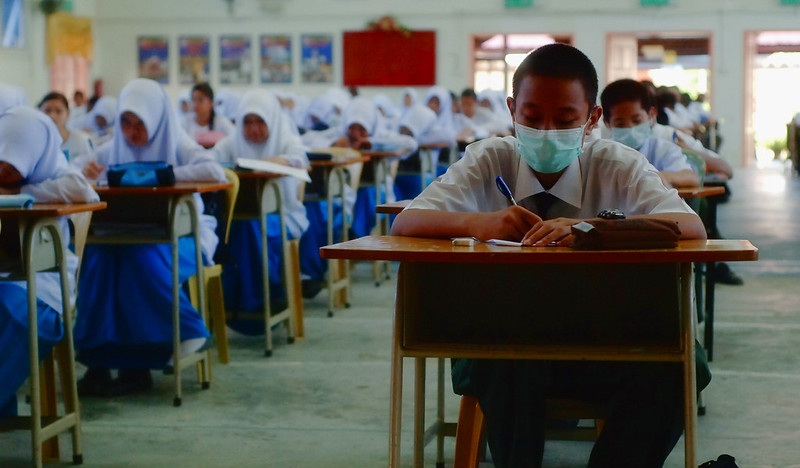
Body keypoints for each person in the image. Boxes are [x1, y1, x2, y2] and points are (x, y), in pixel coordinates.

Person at [391, 43, 709, 468]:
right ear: (511, 109)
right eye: (531, 116)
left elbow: (691, 228)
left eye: (564, 120)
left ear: (593, 119)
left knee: (680, 366)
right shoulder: (490, 158)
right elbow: (405, 225)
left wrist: (592, 228)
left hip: (599, 339)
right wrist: (480, 223)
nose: (545, 130)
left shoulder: (618, 165)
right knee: (510, 353)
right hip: (503, 344)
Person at [71, 78, 226, 397]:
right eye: (125, 123)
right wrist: (86, 174)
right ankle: (99, 361)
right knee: (97, 259)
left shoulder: (177, 142)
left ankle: (167, 342)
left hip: (179, 236)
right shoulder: (113, 146)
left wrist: (165, 174)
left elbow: (215, 172)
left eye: (139, 123)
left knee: (135, 258)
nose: (131, 132)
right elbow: (72, 169)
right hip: (123, 234)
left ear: (156, 120)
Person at [0, 106, 99, 417]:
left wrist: (20, 190)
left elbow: (86, 192)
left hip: (42, 289)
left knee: (9, 309)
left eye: (11, 166)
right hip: (7, 279)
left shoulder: (58, 172)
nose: (3, 171)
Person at [213, 89, 310, 330]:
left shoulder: (285, 138)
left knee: (250, 229)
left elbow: (300, 159)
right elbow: (208, 160)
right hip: (240, 218)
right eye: (247, 122)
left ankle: (261, 300)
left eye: (260, 122)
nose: (253, 129)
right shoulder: (231, 143)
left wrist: (261, 164)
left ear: (271, 121)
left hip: (284, 215)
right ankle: (240, 303)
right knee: (239, 228)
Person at [600, 79, 700, 188]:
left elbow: (691, 177)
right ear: (607, 123)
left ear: (651, 115)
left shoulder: (662, 148)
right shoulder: (602, 153)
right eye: (620, 124)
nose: (630, 128)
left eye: (637, 121)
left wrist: (661, 176)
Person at [38, 91, 94, 162]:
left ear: (68, 114)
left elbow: (89, 166)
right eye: (47, 111)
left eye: (58, 111)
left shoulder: (80, 140)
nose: (52, 116)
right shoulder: (36, 142)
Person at [183, 82, 235, 148]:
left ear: (211, 103)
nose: (196, 104)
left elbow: (234, 139)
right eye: (194, 100)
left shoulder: (221, 122)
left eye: (200, 100)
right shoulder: (186, 123)